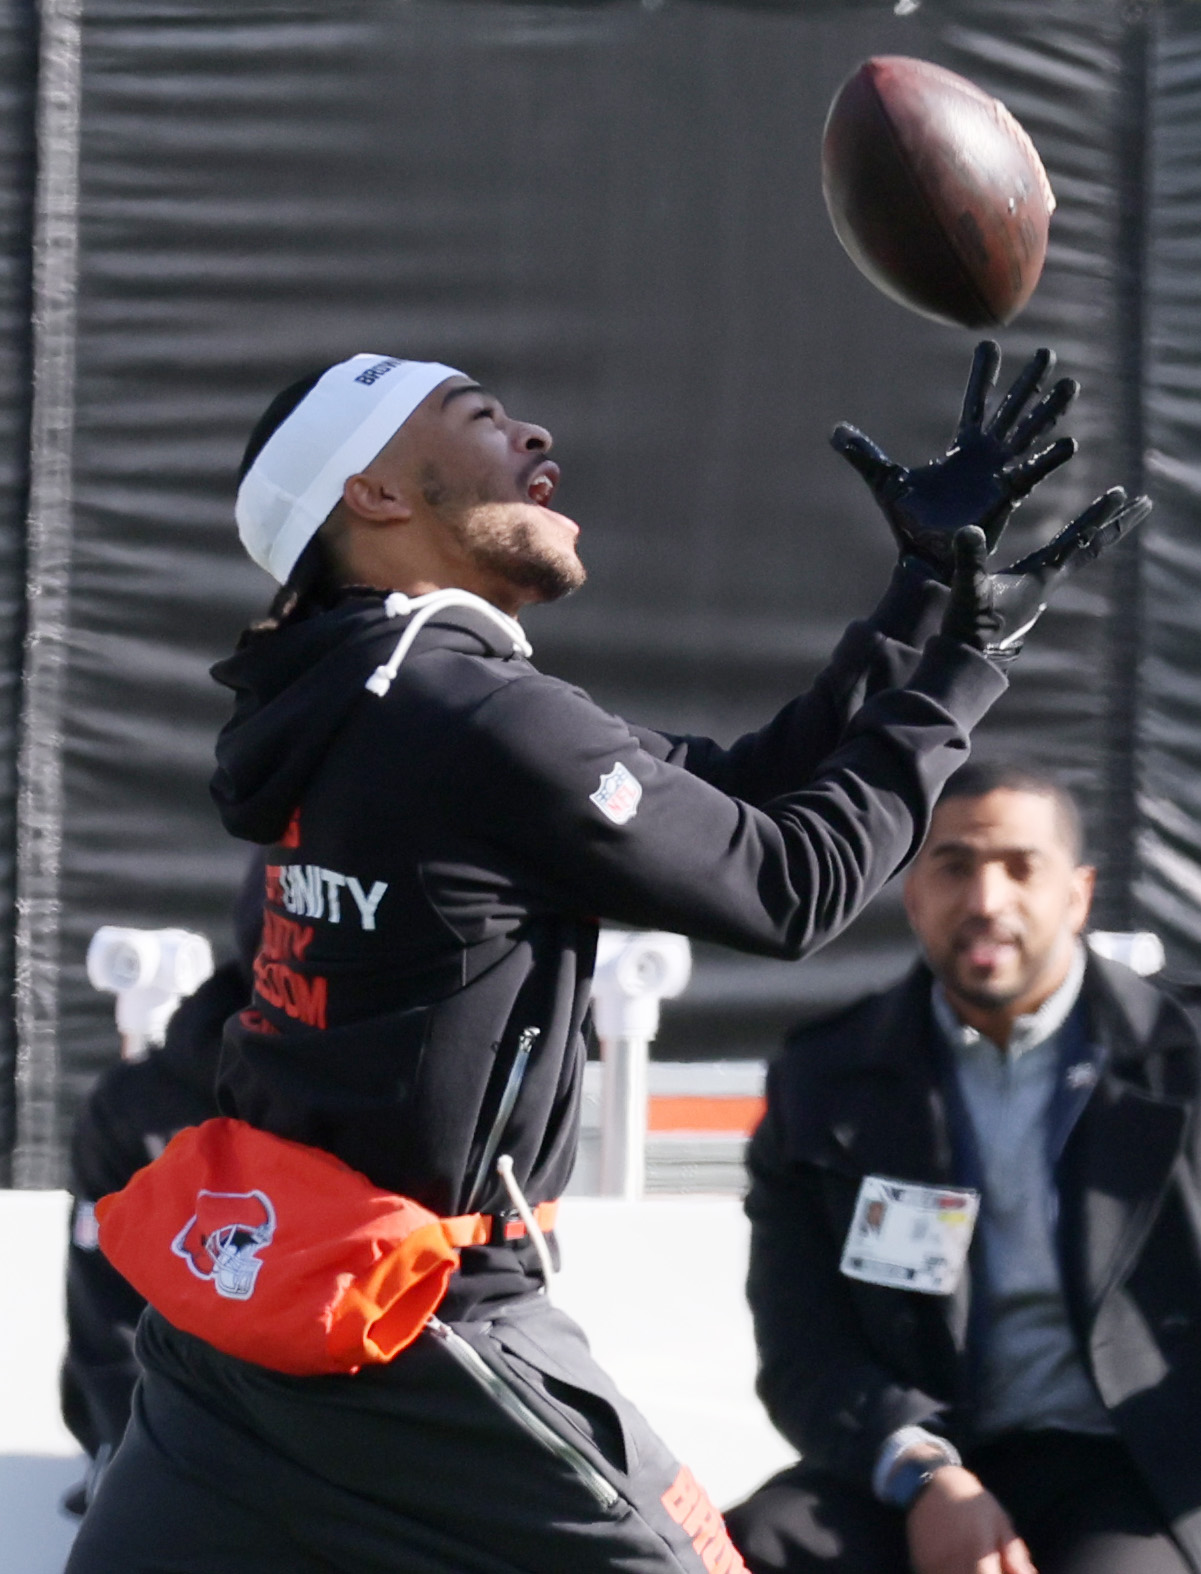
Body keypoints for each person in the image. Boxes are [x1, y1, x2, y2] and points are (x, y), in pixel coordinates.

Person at [68, 345, 1142, 1574]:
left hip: (251, 1315)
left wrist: (915, 600)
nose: (535, 438)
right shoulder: (469, 707)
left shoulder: (351, 688)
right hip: (425, 1320)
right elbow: (788, 883)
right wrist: (961, 671)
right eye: (481, 416)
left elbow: (730, 790)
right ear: (371, 493)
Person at [727, 763, 1201, 1574]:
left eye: (1020, 867)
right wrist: (925, 1475)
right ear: (912, 895)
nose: (985, 900)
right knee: (736, 1551)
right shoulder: (824, 1085)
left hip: (1136, 1465)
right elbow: (802, 1347)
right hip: (921, 1454)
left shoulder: (1183, 1063)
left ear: (1077, 895)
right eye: (953, 867)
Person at [59, 859, 261, 1515]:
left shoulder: (391, 1091)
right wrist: (136, 1470)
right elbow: (104, 1321)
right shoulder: (135, 1105)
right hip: (173, 1449)